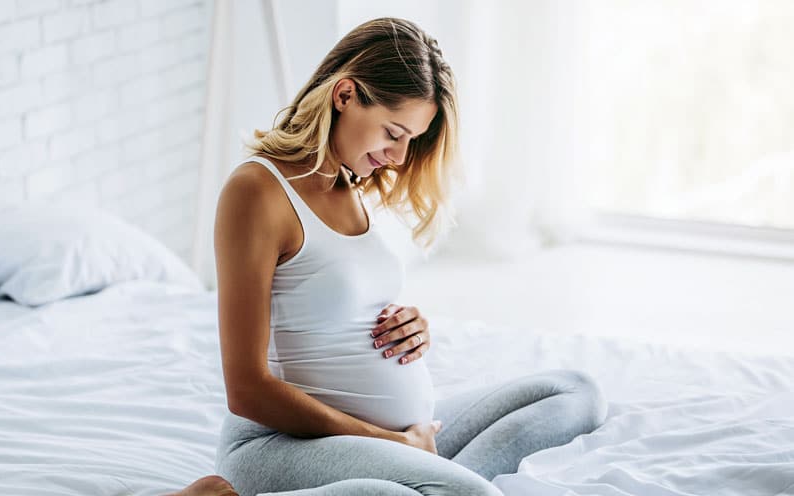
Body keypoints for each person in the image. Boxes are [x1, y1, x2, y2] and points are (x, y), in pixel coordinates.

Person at [176, 17, 607, 496]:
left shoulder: (348, 182)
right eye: (393, 132)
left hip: (394, 436)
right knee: (466, 494)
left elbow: (338, 300)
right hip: (280, 445)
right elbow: (246, 390)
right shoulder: (256, 192)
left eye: (411, 140)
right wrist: (392, 442)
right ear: (344, 96)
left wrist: (411, 324)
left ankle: (427, 481)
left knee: (574, 392)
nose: (400, 157)